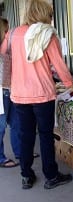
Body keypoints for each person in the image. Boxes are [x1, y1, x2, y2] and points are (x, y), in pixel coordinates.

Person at [0, 0, 73, 189]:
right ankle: (51, 176)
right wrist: (72, 87)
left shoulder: (11, 34)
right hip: (43, 95)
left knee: (26, 134)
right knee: (45, 135)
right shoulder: (48, 35)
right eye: (50, 14)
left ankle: (26, 176)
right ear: (44, 13)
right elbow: (60, 67)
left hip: (19, 95)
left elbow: (3, 57)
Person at [0, 17, 40, 168]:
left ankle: (21, 152)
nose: (8, 33)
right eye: (5, 30)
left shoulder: (8, 46)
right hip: (0, 91)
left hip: (10, 90)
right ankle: (0, 158)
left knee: (16, 124)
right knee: (1, 126)